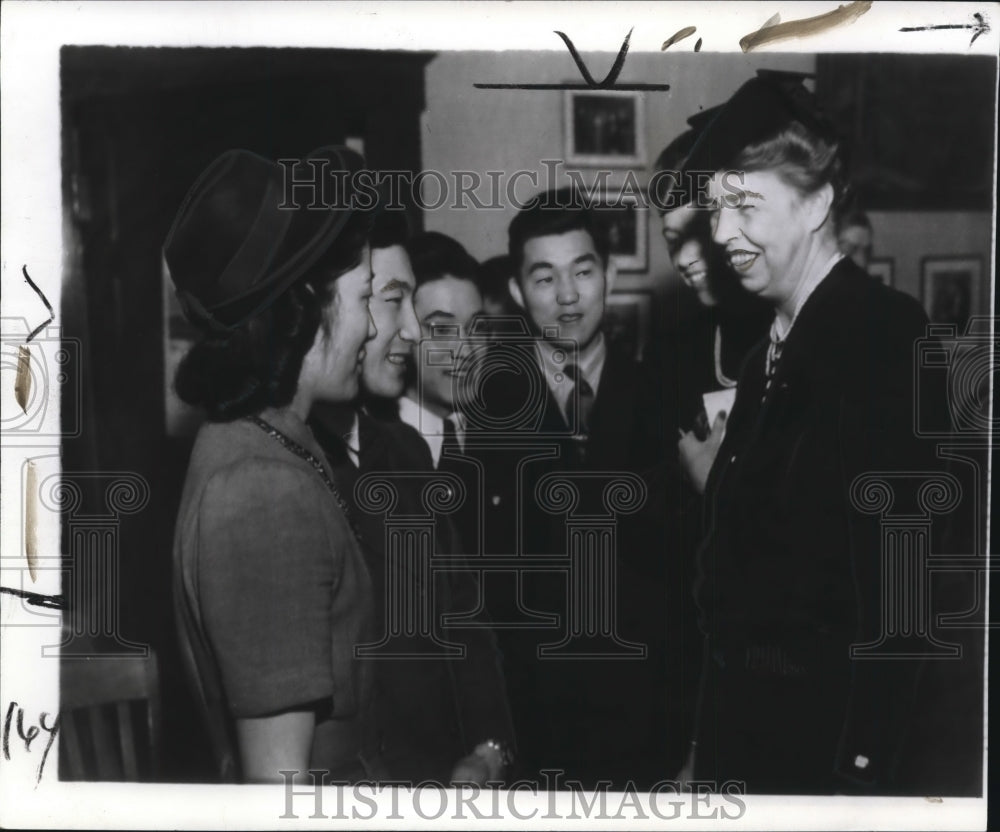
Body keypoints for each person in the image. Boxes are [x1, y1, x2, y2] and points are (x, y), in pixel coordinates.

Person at [678, 74, 966, 794]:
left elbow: (904, 589)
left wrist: (861, 771)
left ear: (816, 203)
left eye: (743, 207)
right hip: (750, 743)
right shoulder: (763, 353)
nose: (719, 235)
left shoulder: (881, 334)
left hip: (826, 754)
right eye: (714, 211)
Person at [168, 146, 383, 784]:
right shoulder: (261, 489)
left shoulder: (271, 442)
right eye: (366, 297)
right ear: (313, 301)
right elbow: (278, 789)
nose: (372, 328)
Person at [471, 189, 681, 789]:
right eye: (545, 278)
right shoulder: (489, 412)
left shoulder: (664, 399)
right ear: (516, 291)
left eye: (583, 272)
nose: (567, 296)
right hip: (533, 738)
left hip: (648, 735)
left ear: (609, 276)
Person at [308, 215, 515, 785]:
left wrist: (490, 749)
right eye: (391, 301)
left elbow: (466, 621)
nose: (420, 336)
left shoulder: (400, 449)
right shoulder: (293, 466)